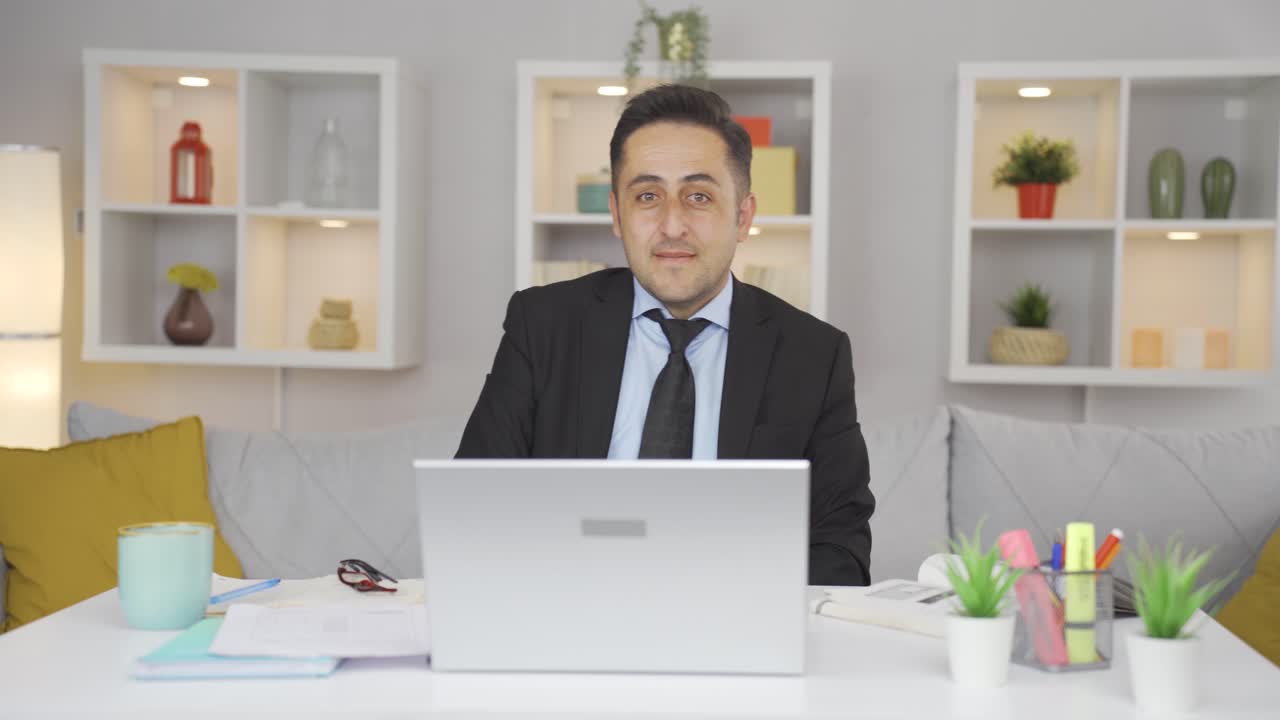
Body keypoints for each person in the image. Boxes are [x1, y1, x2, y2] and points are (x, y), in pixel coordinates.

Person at [456, 84, 875, 585]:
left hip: (732, 617)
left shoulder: (814, 356)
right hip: (566, 607)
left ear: (742, 217)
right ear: (617, 215)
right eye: (648, 196)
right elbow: (472, 508)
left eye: (699, 196)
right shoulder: (542, 324)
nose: (672, 225)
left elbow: (841, 552)